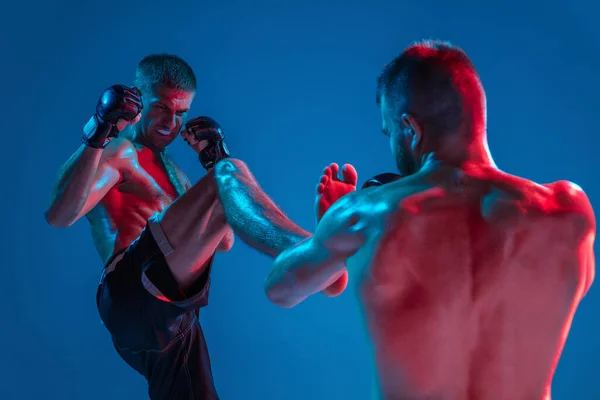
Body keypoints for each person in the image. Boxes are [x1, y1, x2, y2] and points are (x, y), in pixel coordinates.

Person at [215, 40, 597, 399]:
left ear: (410, 129)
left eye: (390, 132)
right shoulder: (568, 211)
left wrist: (333, 225)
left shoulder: (367, 213)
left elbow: (281, 288)